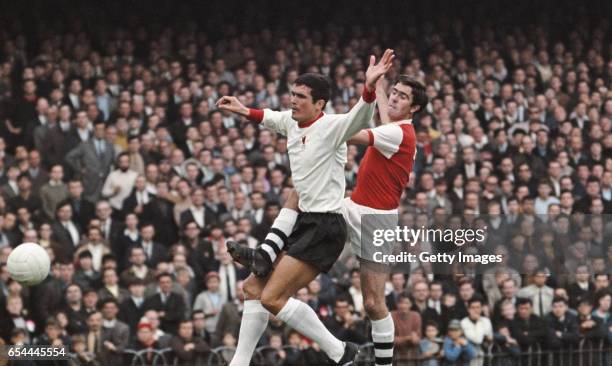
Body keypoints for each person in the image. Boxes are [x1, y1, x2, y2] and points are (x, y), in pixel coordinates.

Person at [228, 71, 427, 366]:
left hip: (377, 221)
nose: (395, 98)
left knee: (373, 303)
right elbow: (383, 116)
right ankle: (265, 254)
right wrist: (381, 86)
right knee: (255, 285)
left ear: (414, 109)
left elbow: (352, 130)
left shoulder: (399, 133)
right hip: (349, 206)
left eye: (403, 96)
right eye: (394, 93)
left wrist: (369, 90)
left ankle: (365, 360)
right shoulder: (393, 126)